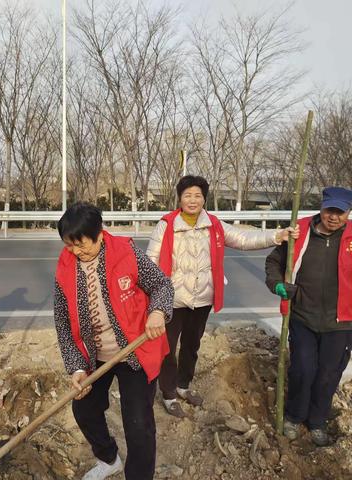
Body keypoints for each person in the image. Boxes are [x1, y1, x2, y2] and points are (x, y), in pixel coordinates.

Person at [147, 175, 299, 418]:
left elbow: (243, 239)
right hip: (172, 299)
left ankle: (184, 386)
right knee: (167, 349)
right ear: (179, 198)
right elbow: (151, 262)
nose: (193, 200)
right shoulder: (166, 225)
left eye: (198, 195)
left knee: (192, 346)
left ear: (204, 199)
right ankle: (168, 394)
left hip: (203, 298)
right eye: (188, 195)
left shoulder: (214, 225)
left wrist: (275, 236)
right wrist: (154, 298)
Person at [54, 202, 173, 480]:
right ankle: (108, 459)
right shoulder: (65, 266)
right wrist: (77, 369)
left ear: (99, 234)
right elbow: (62, 320)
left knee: (138, 424)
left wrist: (157, 312)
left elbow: (161, 285)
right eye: (69, 245)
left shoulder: (126, 252)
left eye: (81, 245)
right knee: (84, 408)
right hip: (94, 355)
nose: (75, 252)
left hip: (135, 351)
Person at [265, 186, 352, 446]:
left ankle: (317, 421)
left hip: (342, 321)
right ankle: (294, 415)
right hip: (303, 316)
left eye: (340, 212)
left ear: (348, 213)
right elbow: (273, 262)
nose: (333, 217)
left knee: (328, 374)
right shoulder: (299, 232)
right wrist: (277, 284)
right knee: (303, 368)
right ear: (322, 208)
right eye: (329, 210)